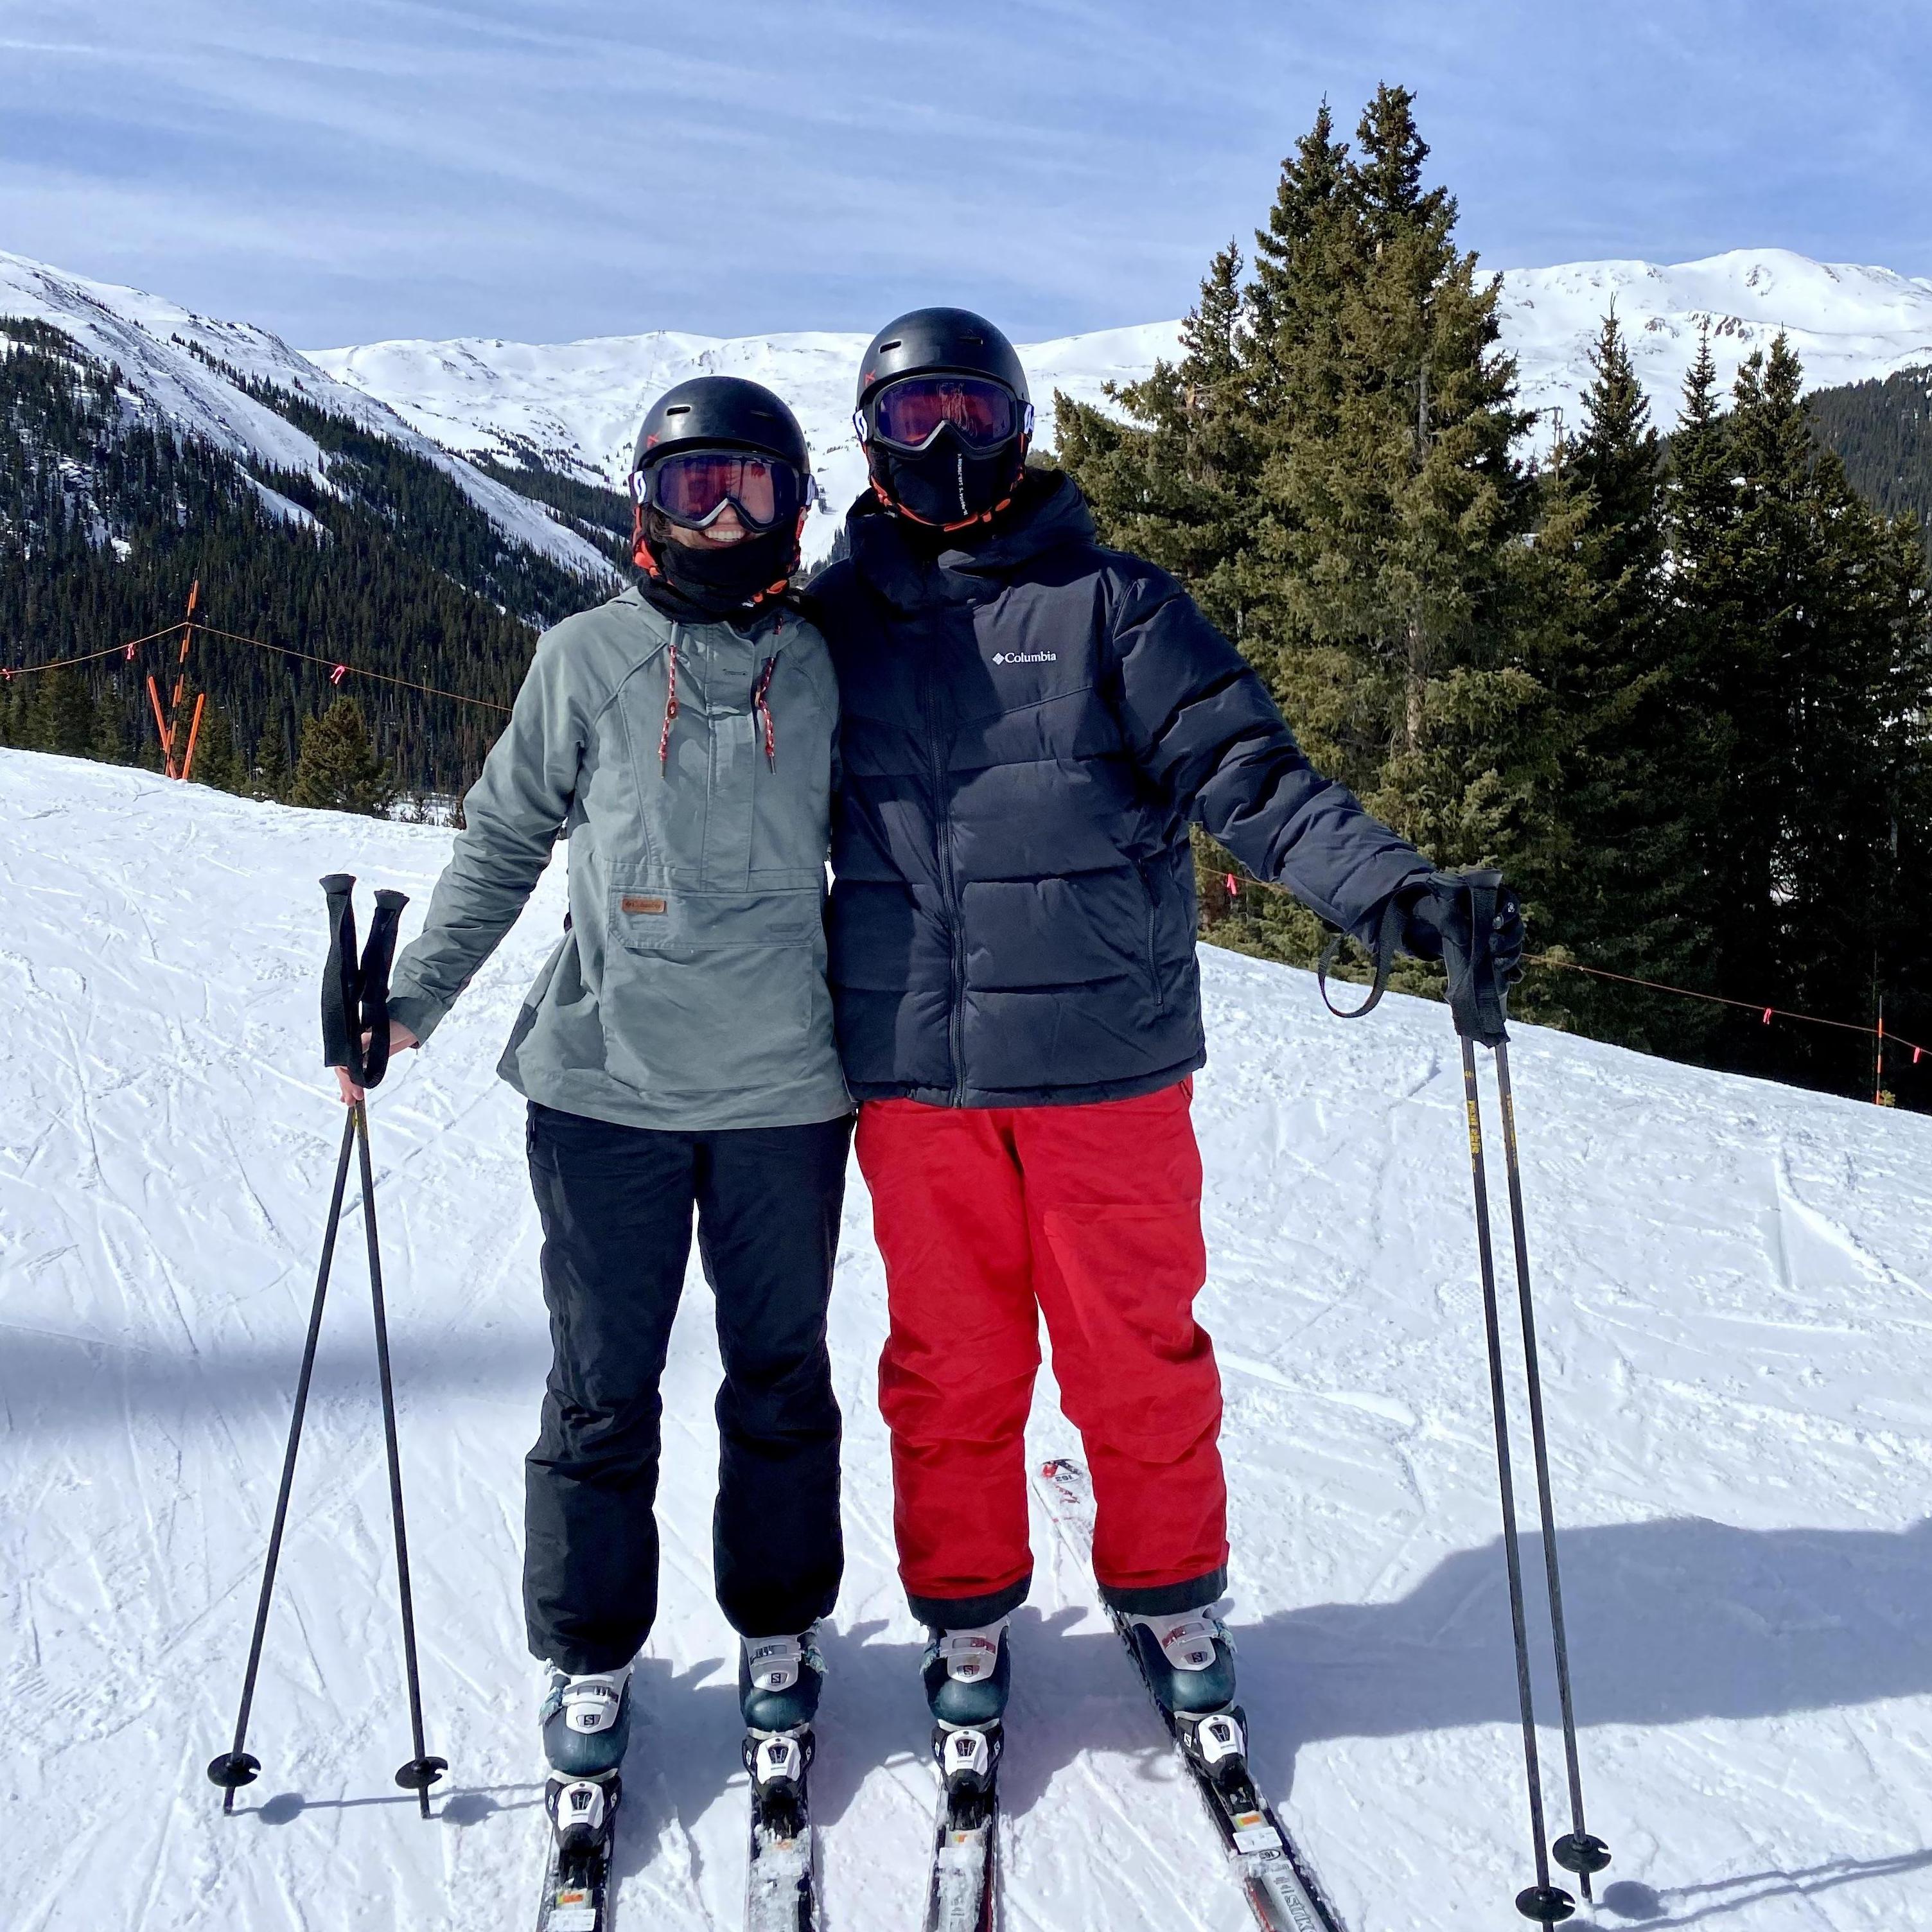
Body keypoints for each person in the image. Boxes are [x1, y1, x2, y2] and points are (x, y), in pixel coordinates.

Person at [806, 308, 1522, 1767]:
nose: (946, 445)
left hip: (1104, 1068)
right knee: (946, 1366)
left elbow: (1250, 776)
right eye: (912, 416)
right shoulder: (829, 631)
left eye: (972, 414)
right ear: (869, 443)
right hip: (914, 1075)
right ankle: (964, 1613)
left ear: (1020, 425)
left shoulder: (1117, 607)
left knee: (1135, 1354)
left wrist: (1389, 891)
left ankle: (1174, 1601)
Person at [350, 376, 852, 1798]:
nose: (726, 513)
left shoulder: (823, 663)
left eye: (751, 485)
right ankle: (591, 1651)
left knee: (777, 1377)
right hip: (603, 1087)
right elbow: (505, 833)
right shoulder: (584, 657)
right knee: (600, 1390)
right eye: (697, 487)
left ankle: (777, 1631)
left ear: (793, 502)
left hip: (786, 1093)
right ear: (646, 503)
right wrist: (414, 1002)